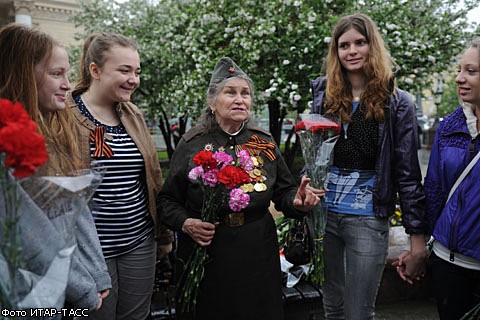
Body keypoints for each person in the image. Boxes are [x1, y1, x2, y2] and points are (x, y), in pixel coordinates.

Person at [157, 56, 323, 320]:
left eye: (245, 93)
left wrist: (298, 202)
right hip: (208, 255)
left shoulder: (263, 142)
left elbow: (284, 193)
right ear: (212, 102)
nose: (239, 99)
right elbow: (166, 201)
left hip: (257, 253)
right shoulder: (192, 143)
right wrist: (187, 223)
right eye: (230, 92)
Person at [309, 13, 428, 319]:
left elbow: (408, 175)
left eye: (360, 42)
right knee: (332, 308)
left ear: (372, 46)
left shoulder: (397, 102)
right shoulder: (324, 95)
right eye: (344, 45)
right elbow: (314, 154)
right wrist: (305, 184)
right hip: (325, 217)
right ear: (336, 52)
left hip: (367, 218)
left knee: (359, 312)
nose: (351, 51)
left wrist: (417, 243)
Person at [0, 23, 111, 313]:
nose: (67, 84)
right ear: (24, 74)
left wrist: (97, 274)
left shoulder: (51, 132)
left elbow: (75, 213)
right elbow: (33, 238)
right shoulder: (9, 144)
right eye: (55, 74)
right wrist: (84, 289)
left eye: (66, 73)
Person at [69, 32, 174, 320]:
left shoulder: (132, 114)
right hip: (89, 251)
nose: (134, 79)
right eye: (124, 70)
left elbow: (151, 177)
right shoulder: (64, 114)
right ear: (95, 70)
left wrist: (162, 234)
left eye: (137, 71)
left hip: (138, 242)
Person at [423, 37, 480, 320]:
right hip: (448, 263)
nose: (459, 78)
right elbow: (433, 191)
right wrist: (425, 251)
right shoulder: (449, 127)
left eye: (471, 71)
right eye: (460, 69)